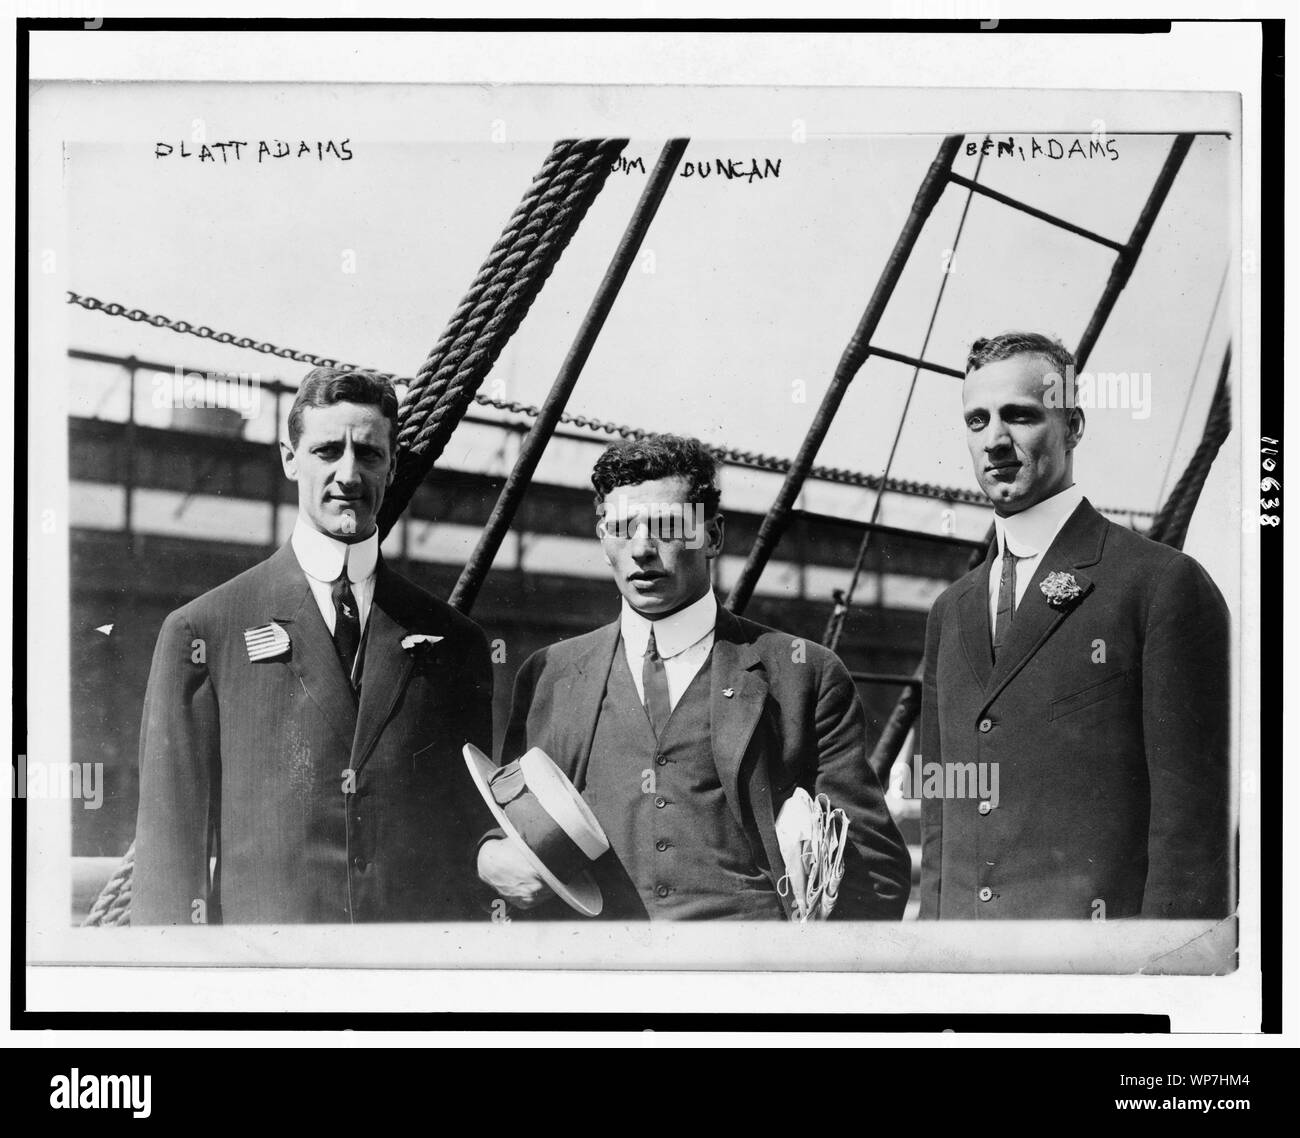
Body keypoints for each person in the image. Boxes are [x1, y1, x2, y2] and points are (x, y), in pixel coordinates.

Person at [477, 434, 911, 920]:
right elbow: (512, 821)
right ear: (603, 538)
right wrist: (489, 851)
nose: (642, 549)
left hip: (748, 983)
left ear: (713, 536)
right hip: (603, 981)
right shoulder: (549, 675)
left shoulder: (803, 673)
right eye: (622, 527)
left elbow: (872, 865)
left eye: (667, 526)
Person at [133, 368, 494, 924]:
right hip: (271, 985)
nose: (348, 474)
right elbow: (168, 854)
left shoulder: (458, 644)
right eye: (327, 450)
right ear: (290, 458)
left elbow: (467, 834)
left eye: (370, 455)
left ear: (392, 466)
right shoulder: (204, 631)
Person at [918, 332, 1232, 920]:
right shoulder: (950, 611)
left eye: (1020, 416)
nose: (995, 441)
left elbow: (1190, 829)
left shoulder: (1158, 585)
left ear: (1073, 426)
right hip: (966, 973)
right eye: (977, 420)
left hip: (1094, 976)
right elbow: (942, 806)